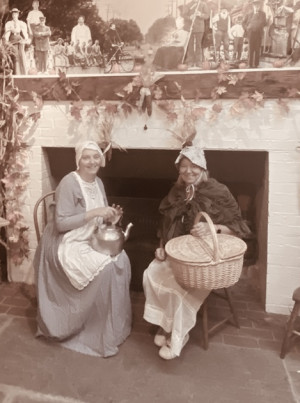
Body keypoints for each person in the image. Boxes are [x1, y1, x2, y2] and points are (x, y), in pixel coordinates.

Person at [143, 145, 252, 360]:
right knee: (151, 273)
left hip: (206, 260)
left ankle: (177, 336)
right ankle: (166, 324)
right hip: (179, 253)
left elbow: (239, 226)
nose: (188, 171)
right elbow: (166, 224)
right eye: (183, 167)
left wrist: (215, 229)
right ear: (178, 170)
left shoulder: (219, 191)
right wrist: (162, 245)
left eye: (193, 166)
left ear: (203, 168)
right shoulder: (176, 192)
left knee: (177, 286)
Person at [34, 141, 132, 357]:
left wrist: (112, 219)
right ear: (78, 160)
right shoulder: (69, 183)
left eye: (96, 156)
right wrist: (95, 212)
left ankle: (110, 329)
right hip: (66, 240)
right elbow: (61, 224)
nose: (92, 161)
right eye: (86, 157)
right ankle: (88, 329)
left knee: (120, 258)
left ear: (102, 159)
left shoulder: (98, 182)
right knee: (105, 267)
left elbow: (101, 218)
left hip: (89, 235)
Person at [182, 0, 210, 67]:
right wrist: (189, 17)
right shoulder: (188, 5)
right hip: (190, 27)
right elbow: (184, 15)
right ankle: (190, 61)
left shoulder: (203, 4)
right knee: (190, 45)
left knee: (198, 45)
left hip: (200, 27)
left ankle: (198, 62)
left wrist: (200, 14)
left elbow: (207, 16)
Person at [4, 8, 29, 75]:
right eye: (13, 14)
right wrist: (6, 40)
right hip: (12, 40)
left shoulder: (21, 23)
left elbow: (24, 32)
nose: (14, 15)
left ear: (18, 14)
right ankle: (16, 73)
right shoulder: (9, 23)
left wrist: (26, 39)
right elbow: (7, 33)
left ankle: (23, 73)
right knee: (15, 55)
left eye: (16, 14)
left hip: (19, 39)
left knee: (21, 54)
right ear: (12, 15)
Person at [242, 0, 267, 68]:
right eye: (255, 5)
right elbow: (243, 23)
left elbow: (265, 23)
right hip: (251, 34)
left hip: (258, 33)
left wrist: (260, 25)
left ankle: (256, 64)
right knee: (251, 48)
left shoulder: (263, 14)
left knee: (257, 49)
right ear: (253, 6)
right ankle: (250, 64)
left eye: (258, 6)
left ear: (260, 6)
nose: (257, 7)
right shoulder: (249, 14)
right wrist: (246, 28)